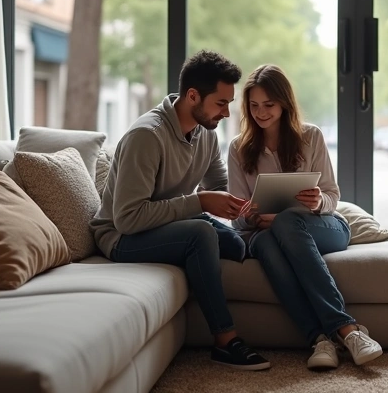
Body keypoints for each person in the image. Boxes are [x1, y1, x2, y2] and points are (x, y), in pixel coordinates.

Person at [91, 50, 271, 371]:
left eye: (228, 103)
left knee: (236, 244)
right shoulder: (146, 136)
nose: (227, 113)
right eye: (221, 103)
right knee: (201, 231)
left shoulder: (205, 134)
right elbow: (128, 218)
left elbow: (222, 186)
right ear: (192, 96)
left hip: (168, 225)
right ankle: (225, 340)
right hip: (120, 238)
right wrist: (199, 203)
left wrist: (260, 200)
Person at [226, 64, 384, 371]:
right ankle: (321, 340)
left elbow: (332, 196)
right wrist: (254, 219)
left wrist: (317, 201)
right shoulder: (238, 148)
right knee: (270, 241)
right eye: (254, 106)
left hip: (323, 226)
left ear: (284, 103)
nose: (261, 112)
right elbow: (238, 218)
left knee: (285, 221)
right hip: (265, 234)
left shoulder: (311, 136)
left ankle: (347, 330)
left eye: (268, 105)